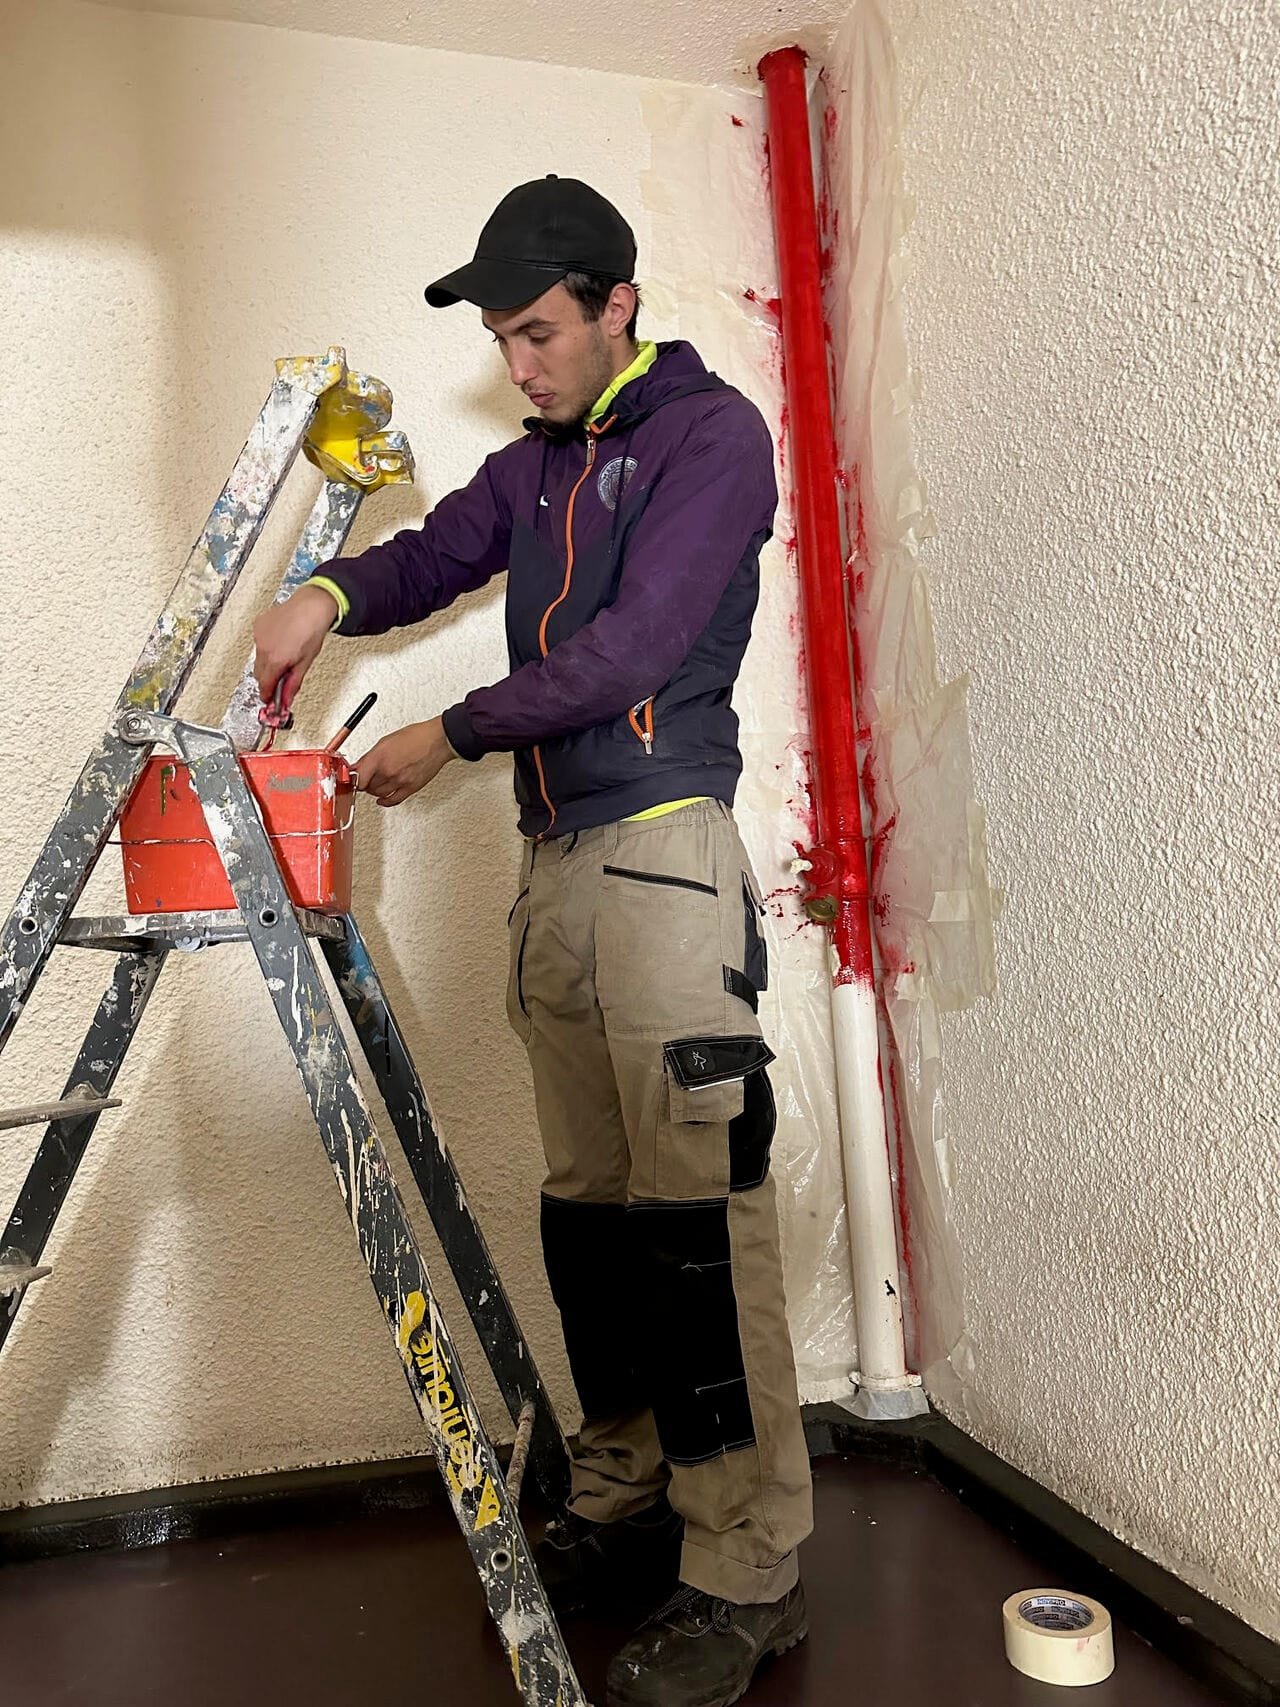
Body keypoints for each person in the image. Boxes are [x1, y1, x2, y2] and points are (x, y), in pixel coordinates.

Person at [252, 175, 813, 1707]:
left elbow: (632, 649)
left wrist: (450, 730)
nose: (521, 363)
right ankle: (628, 1494)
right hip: (556, 868)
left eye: (540, 332)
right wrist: (321, 593)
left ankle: (747, 1570)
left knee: (698, 1226)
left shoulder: (709, 440)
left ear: (618, 304)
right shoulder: (536, 468)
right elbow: (431, 557)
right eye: (503, 339)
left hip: (663, 860)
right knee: (593, 1216)